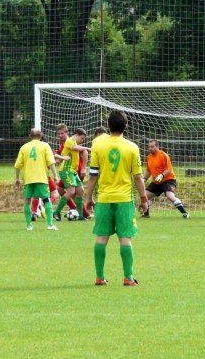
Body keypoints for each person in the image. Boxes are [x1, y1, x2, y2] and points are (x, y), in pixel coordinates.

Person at [84, 110, 148, 286]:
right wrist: (144, 199)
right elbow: (138, 177)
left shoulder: (98, 146)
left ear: (108, 126)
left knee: (101, 237)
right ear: (125, 126)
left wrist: (88, 198)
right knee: (125, 238)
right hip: (124, 199)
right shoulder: (132, 147)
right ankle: (128, 277)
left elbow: (93, 175)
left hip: (104, 199)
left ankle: (99, 277)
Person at [15, 128, 61, 231]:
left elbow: (17, 165)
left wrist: (17, 179)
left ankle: (29, 226)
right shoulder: (45, 146)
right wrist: (56, 176)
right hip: (41, 178)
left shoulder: (24, 147)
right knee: (46, 199)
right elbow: (51, 163)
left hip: (28, 178)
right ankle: (50, 225)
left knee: (27, 200)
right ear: (41, 136)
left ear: (30, 136)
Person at [142, 140, 189, 219]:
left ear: (157, 147)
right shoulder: (149, 157)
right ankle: (146, 215)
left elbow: (169, 169)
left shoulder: (163, 155)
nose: (150, 148)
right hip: (156, 182)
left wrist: (162, 175)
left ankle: (185, 213)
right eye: (149, 147)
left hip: (168, 180)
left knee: (169, 196)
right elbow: (148, 170)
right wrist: (144, 179)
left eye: (152, 147)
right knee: (144, 196)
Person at [52, 128, 90, 221]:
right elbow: (76, 148)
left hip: (73, 171)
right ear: (77, 135)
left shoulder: (75, 142)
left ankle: (80, 216)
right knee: (71, 191)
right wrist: (88, 148)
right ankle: (56, 212)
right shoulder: (69, 141)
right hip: (66, 170)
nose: (82, 141)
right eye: (82, 138)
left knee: (80, 191)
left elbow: (80, 149)